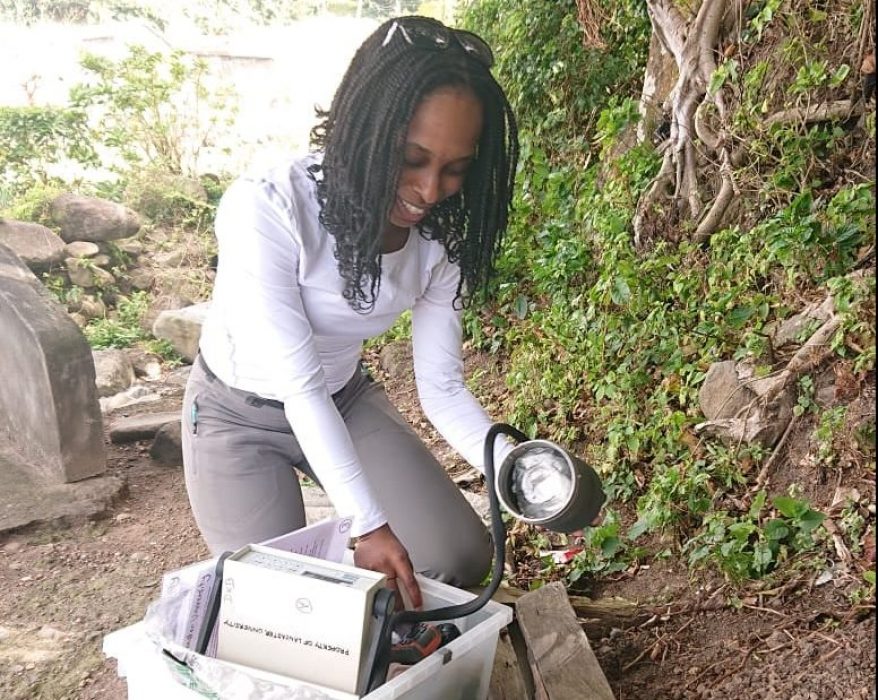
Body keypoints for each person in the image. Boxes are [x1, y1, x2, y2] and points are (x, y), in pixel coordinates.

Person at [181, 15, 519, 611]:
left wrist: (516, 468)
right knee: (277, 611)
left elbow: (440, 388)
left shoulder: (440, 241)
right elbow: (296, 383)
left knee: (460, 554)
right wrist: (368, 523)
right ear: (367, 130)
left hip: (343, 398)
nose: (431, 189)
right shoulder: (269, 206)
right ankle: (329, 564)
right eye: (411, 158)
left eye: (455, 168)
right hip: (239, 416)